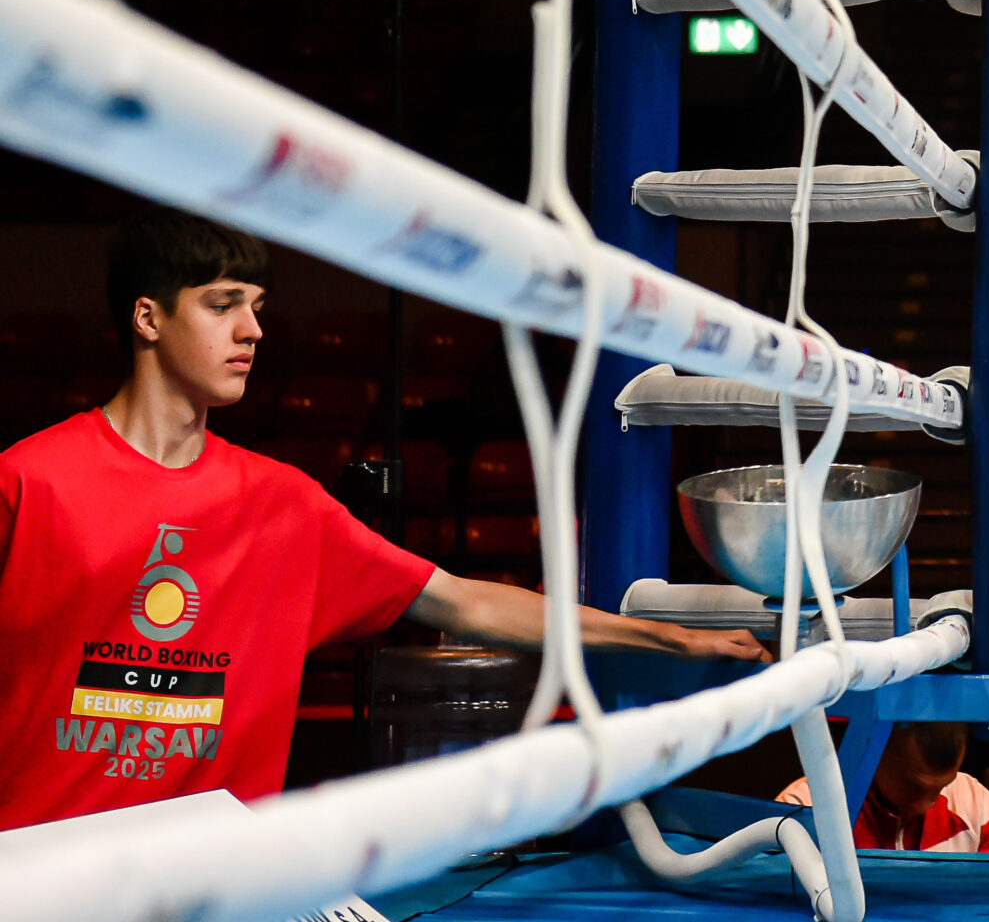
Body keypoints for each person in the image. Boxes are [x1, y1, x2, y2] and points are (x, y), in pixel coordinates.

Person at [0, 209, 768, 832]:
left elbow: (465, 602)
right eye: (222, 304)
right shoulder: (30, 480)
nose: (253, 330)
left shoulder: (282, 504)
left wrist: (667, 637)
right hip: (42, 878)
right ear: (148, 317)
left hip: (217, 883)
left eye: (257, 308)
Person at [779, 723, 989, 853]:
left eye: (943, 786)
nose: (927, 804)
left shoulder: (976, 803)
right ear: (875, 753)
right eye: (913, 787)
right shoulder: (801, 809)